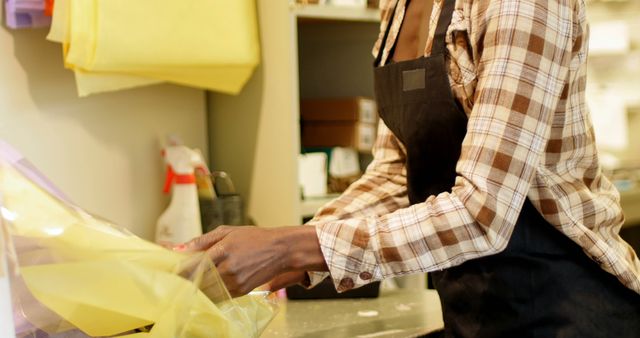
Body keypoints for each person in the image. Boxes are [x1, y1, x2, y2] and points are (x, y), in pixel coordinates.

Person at [182, 0, 640, 336]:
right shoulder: (398, 9)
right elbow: (398, 171)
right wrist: (286, 253)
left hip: (567, 309)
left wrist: (294, 248)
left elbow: (482, 213)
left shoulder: (520, 4)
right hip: (472, 309)